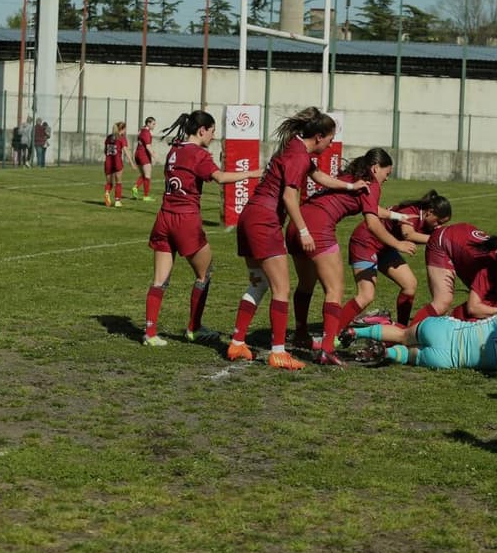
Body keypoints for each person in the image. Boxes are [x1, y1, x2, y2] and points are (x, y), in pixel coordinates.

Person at [225, 106, 360, 370]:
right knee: (282, 289)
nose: (331, 144)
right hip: (265, 221)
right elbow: (289, 197)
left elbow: (320, 177)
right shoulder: (298, 157)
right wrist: (304, 230)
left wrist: (350, 186)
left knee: (258, 284)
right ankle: (278, 352)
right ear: (319, 136)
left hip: (249, 217)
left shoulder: (296, 150)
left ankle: (237, 342)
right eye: (330, 139)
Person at [142, 110, 262, 346]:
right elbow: (220, 177)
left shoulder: (175, 149)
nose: (213, 136)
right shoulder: (198, 154)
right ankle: (194, 328)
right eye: (212, 131)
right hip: (185, 220)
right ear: (202, 130)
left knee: (159, 280)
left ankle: (150, 332)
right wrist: (253, 173)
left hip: (164, 217)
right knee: (204, 273)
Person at [286, 148, 415, 366]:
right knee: (334, 290)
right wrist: (397, 243)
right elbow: (372, 223)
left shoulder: (353, 177)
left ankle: (301, 333)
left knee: (306, 285)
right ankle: (327, 349)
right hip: (319, 227)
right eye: (386, 173)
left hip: (296, 226)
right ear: (375, 169)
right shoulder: (372, 183)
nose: (386, 179)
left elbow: (372, 208)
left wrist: (396, 215)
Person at [341, 190, 452, 330]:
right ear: (429, 212)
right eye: (438, 222)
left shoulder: (429, 221)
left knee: (410, 285)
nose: (438, 226)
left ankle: (401, 329)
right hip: (365, 242)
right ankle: (333, 332)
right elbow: (408, 234)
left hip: (385, 247)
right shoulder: (411, 211)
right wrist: (439, 239)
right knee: (366, 295)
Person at [342, 310, 497, 371]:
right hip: (449, 358)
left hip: (446, 330)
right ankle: (386, 353)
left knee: (402, 335)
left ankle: (356, 333)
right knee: (407, 354)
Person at [407, 223, 497, 325]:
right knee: (442, 302)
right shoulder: (489, 270)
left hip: (461, 234)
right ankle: (405, 336)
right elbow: (473, 308)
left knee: (491, 302)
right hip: (442, 241)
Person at [103, 121, 134, 207]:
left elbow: (105, 151)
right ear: (122, 129)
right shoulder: (121, 138)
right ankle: (117, 201)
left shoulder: (109, 137)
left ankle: (107, 192)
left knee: (109, 183)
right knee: (118, 182)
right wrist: (131, 162)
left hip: (108, 162)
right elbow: (126, 151)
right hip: (117, 162)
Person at [133, 116, 157, 202]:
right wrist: (154, 155)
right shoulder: (146, 133)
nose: (154, 126)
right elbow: (148, 146)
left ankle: (135, 187)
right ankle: (146, 196)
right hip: (143, 155)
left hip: (137, 154)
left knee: (144, 175)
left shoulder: (141, 131)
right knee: (147, 176)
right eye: (153, 124)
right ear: (148, 123)